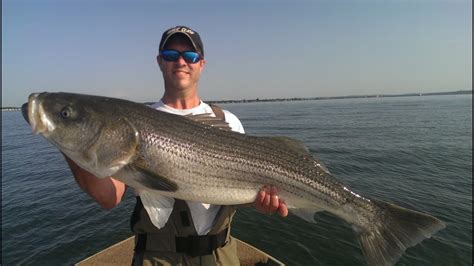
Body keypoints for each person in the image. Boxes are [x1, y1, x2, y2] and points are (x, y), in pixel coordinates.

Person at [64, 25, 288, 265]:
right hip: (158, 257)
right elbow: (108, 197)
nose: (181, 61)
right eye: (171, 55)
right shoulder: (134, 125)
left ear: (201, 64)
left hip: (220, 255)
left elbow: (240, 191)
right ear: (160, 62)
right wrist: (69, 141)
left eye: (190, 56)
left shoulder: (228, 122)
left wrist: (260, 202)